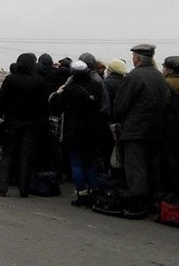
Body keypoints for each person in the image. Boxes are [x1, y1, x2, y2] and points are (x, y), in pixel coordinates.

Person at [113, 44, 171, 214]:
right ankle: (152, 203)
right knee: (152, 168)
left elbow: (121, 105)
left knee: (135, 168)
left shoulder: (134, 76)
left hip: (135, 131)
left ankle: (136, 204)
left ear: (137, 58)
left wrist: (116, 118)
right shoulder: (159, 77)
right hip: (156, 130)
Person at [49, 60, 104, 207]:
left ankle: (82, 193)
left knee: (76, 163)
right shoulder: (97, 86)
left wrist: (57, 94)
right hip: (93, 130)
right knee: (90, 163)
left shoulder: (70, 89)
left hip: (74, 130)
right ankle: (95, 191)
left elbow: (56, 108)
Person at [0, 53, 49, 197]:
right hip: (31, 123)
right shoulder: (39, 81)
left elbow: (1, 101)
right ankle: (24, 189)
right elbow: (44, 105)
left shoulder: (10, 80)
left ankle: (2, 187)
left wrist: (0, 114)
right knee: (25, 156)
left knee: (8, 154)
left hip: (11, 122)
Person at [161, 56, 179, 193]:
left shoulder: (167, 84)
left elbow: (162, 105)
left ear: (170, 70)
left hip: (170, 126)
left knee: (170, 159)